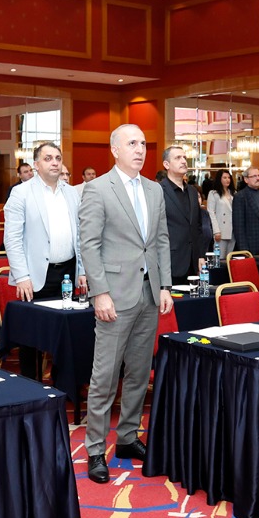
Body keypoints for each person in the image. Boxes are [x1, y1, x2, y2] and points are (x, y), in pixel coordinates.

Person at [78, 124, 172, 484]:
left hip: (148, 294)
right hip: (114, 296)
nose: (140, 149)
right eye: (132, 143)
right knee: (104, 376)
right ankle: (94, 448)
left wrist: (165, 286)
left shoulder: (154, 189)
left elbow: (160, 240)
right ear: (115, 149)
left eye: (143, 143)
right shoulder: (98, 188)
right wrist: (99, 292)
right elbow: (89, 244)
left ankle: (128, 436)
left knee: (138, 372)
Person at [4, 142, 84, 302]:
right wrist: (21, 276)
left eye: (58, 158)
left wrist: (82, 270)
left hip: (68, 273)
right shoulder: (21, 192)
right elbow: (12, 239)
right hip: (35, 277)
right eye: (48, 158)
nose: (55, 163)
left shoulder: (72, 192)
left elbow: (80, 235)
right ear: (36, 165)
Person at [159, 144, 204, 283]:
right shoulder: (158, 191)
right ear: (166, 164)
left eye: (184, 157)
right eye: (178, 158)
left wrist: (200, 255)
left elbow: (197, 226)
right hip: (169, 262)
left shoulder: (192, 191)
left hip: (193, 262)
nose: (184, 161)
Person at [231, 165, 259, 260]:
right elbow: (238, 227)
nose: (258, 178)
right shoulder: (240, 197)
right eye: (254, 176)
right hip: (251, 247)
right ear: (246, 180)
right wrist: (244, 251)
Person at [207, 168, 236, 260]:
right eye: (224, 178)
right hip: (221, 230)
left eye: (229, 177)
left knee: (230, 259)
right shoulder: (213, 193)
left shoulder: (233, 193)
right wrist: (216, 231)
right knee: (219, 258)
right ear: (219, 179)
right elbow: (211, 212)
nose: (227, 180)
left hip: (233, 230)